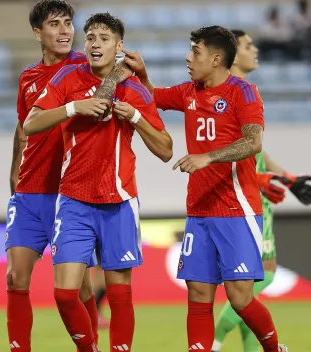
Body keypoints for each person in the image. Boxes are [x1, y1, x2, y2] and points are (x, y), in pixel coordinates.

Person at [122, 26, 288, 351]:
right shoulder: (189, 92)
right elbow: (152, 98)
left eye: (195, 51)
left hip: (236, 211)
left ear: (215, 58)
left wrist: (207, 157)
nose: (188, 57)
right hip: (199, 211)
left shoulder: (244, 92)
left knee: (240, 299)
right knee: (198, 296)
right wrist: (142, 75)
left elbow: (253, 142)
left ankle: (272, 348)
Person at [24, 12, 173, 352]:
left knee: (120, 296)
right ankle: (88, 347)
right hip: (74, 201)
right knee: (64, 294)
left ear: (119, 46)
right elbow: (32, 123)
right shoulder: (67, 78)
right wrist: (74, 107)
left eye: (104, 39)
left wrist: (134, 117)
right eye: (90, 37)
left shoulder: (133, 89)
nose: (95, 44)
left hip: (119, 200)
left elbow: (166, 150)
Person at [5, 2, 129, 351]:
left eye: (68, 23)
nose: (64, 31)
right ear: (37, 34)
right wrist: (14, 168)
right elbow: (22, 125)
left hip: (67, 193)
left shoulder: (86, 65)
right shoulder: (28, 76)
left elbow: (122, 76)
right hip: (29, 190)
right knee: (15, 277)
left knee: (79, 289)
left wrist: (120, 71)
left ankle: (88, 346)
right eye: (54, 24)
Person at [212, 29, 311, 352]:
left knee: (251, 284)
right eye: (248, 45)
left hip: (254, 194)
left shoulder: (246, 91)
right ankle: (213, 340)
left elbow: (255, 149)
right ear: (232, 53)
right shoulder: (231, 94)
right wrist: (258, 180)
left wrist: (288, 178)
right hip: (244, 198)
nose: (255, 50)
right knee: (261, 276)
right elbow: (224, 151)